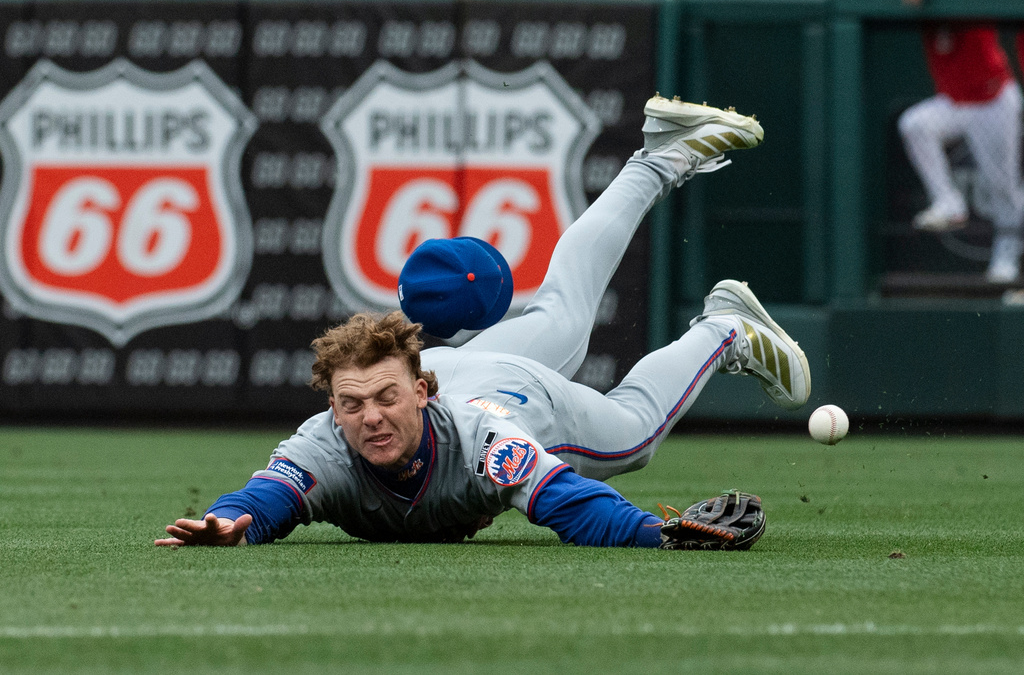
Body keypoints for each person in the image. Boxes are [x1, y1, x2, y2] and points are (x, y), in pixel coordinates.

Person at [155, 94, 810, 550]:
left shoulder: (483, 443)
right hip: (465, 368)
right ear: (331, 406)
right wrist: (226, 520)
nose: (370, 417)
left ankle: (724, 329)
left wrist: (652, 532)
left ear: (420, 391)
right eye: (351, 405)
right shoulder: (323, 442)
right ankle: (660, 157)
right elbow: (265, 496)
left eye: (386, 397)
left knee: (633, 436)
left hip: (519, 395)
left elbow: (565, 503)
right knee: (562, 309)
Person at [898, 0, 1024, 283]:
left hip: (993, 100)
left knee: (1002, 186)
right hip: (954, 101)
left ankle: (1007, 259)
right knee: (916, 125)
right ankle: (948, 201)